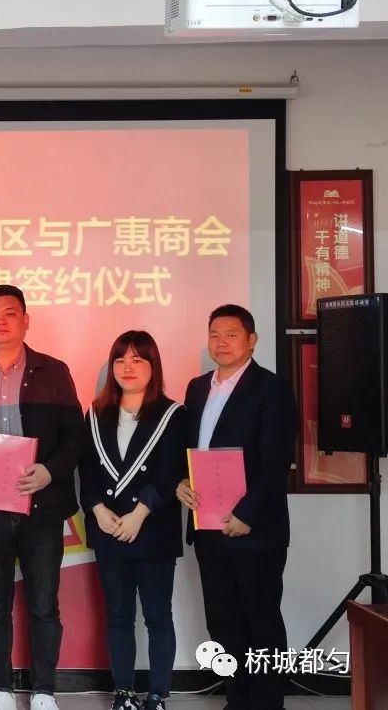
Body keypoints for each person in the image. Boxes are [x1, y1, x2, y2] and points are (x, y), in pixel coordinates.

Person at [0, 284, 88, 710]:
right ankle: (0, 689)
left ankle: (44, 690)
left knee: (43, 604)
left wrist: (49, 471)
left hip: (42, 506)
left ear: (26, 321)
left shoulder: (54, 371)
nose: (0, 321)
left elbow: (75, 436)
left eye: (10, 313)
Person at [176, 304, 297, 710]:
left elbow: (276, 461)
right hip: (207, 524)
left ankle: (266, 703)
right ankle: (237, 700)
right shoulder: (197, 388)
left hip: (254, 529)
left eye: (231, 334)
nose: (221, 342)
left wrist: (248, 514)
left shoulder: (271, 388)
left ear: (251, 340)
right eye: (215, 335)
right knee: (223, 620)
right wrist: (181, 482)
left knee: (261, 620)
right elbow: (189, 450)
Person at [80, 331, 186, 710]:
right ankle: (123, 692)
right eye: (121, 360)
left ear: (153, 367)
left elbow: (170, 471)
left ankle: (158, 694)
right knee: (118, 616)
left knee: (158, 616)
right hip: (109, 529)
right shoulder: (96, 413)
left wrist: (140, 513)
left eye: (138, 359)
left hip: (153, 530)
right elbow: (87, 471)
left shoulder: (172, 414)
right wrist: (97, 509)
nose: (128, 367)